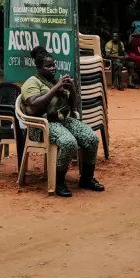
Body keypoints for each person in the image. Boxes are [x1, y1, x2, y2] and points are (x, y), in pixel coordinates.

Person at [21, 46, 105, 197]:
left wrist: (72, 89)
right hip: (42, 125)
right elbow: (34, 104)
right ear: (39, 67)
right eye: (48, 66)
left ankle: (86, 179)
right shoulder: (31, 82)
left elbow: (73, 107)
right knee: (68, 142)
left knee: (91, 138)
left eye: (53, 65)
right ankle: (58, 182)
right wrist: (56, 88)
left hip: (63, 120)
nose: (53, 68)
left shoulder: (56, 80)